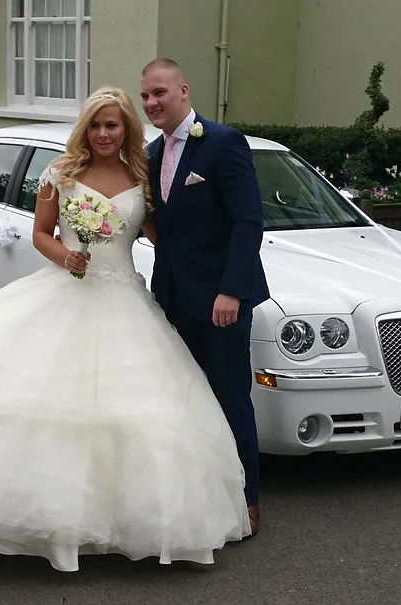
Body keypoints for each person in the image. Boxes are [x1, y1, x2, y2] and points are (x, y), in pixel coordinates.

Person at [0, 87, 251, 572]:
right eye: (95, 125)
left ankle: (128, 518)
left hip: (124, 300)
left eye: (112, 125)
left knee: (143, 409)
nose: (102, 134)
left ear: (126, 130)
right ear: (85, 129)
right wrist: (66, 255)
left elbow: (167, 236)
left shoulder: (143, 177)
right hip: (65, 289)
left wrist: (220, 268)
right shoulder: (60, 174)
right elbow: (41, 234)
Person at [140, 59, 270, 535]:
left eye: (159, 93)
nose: (152, 103)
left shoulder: (222, 143)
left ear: (183, 91)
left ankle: (247, 500)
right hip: (173, 299)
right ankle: (198, 498)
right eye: (146, 97)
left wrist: (231, 290)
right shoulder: (151, 156)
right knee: (186, 400)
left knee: (231, 397)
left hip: (222, 302)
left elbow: (247, 220)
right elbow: (164, 229)